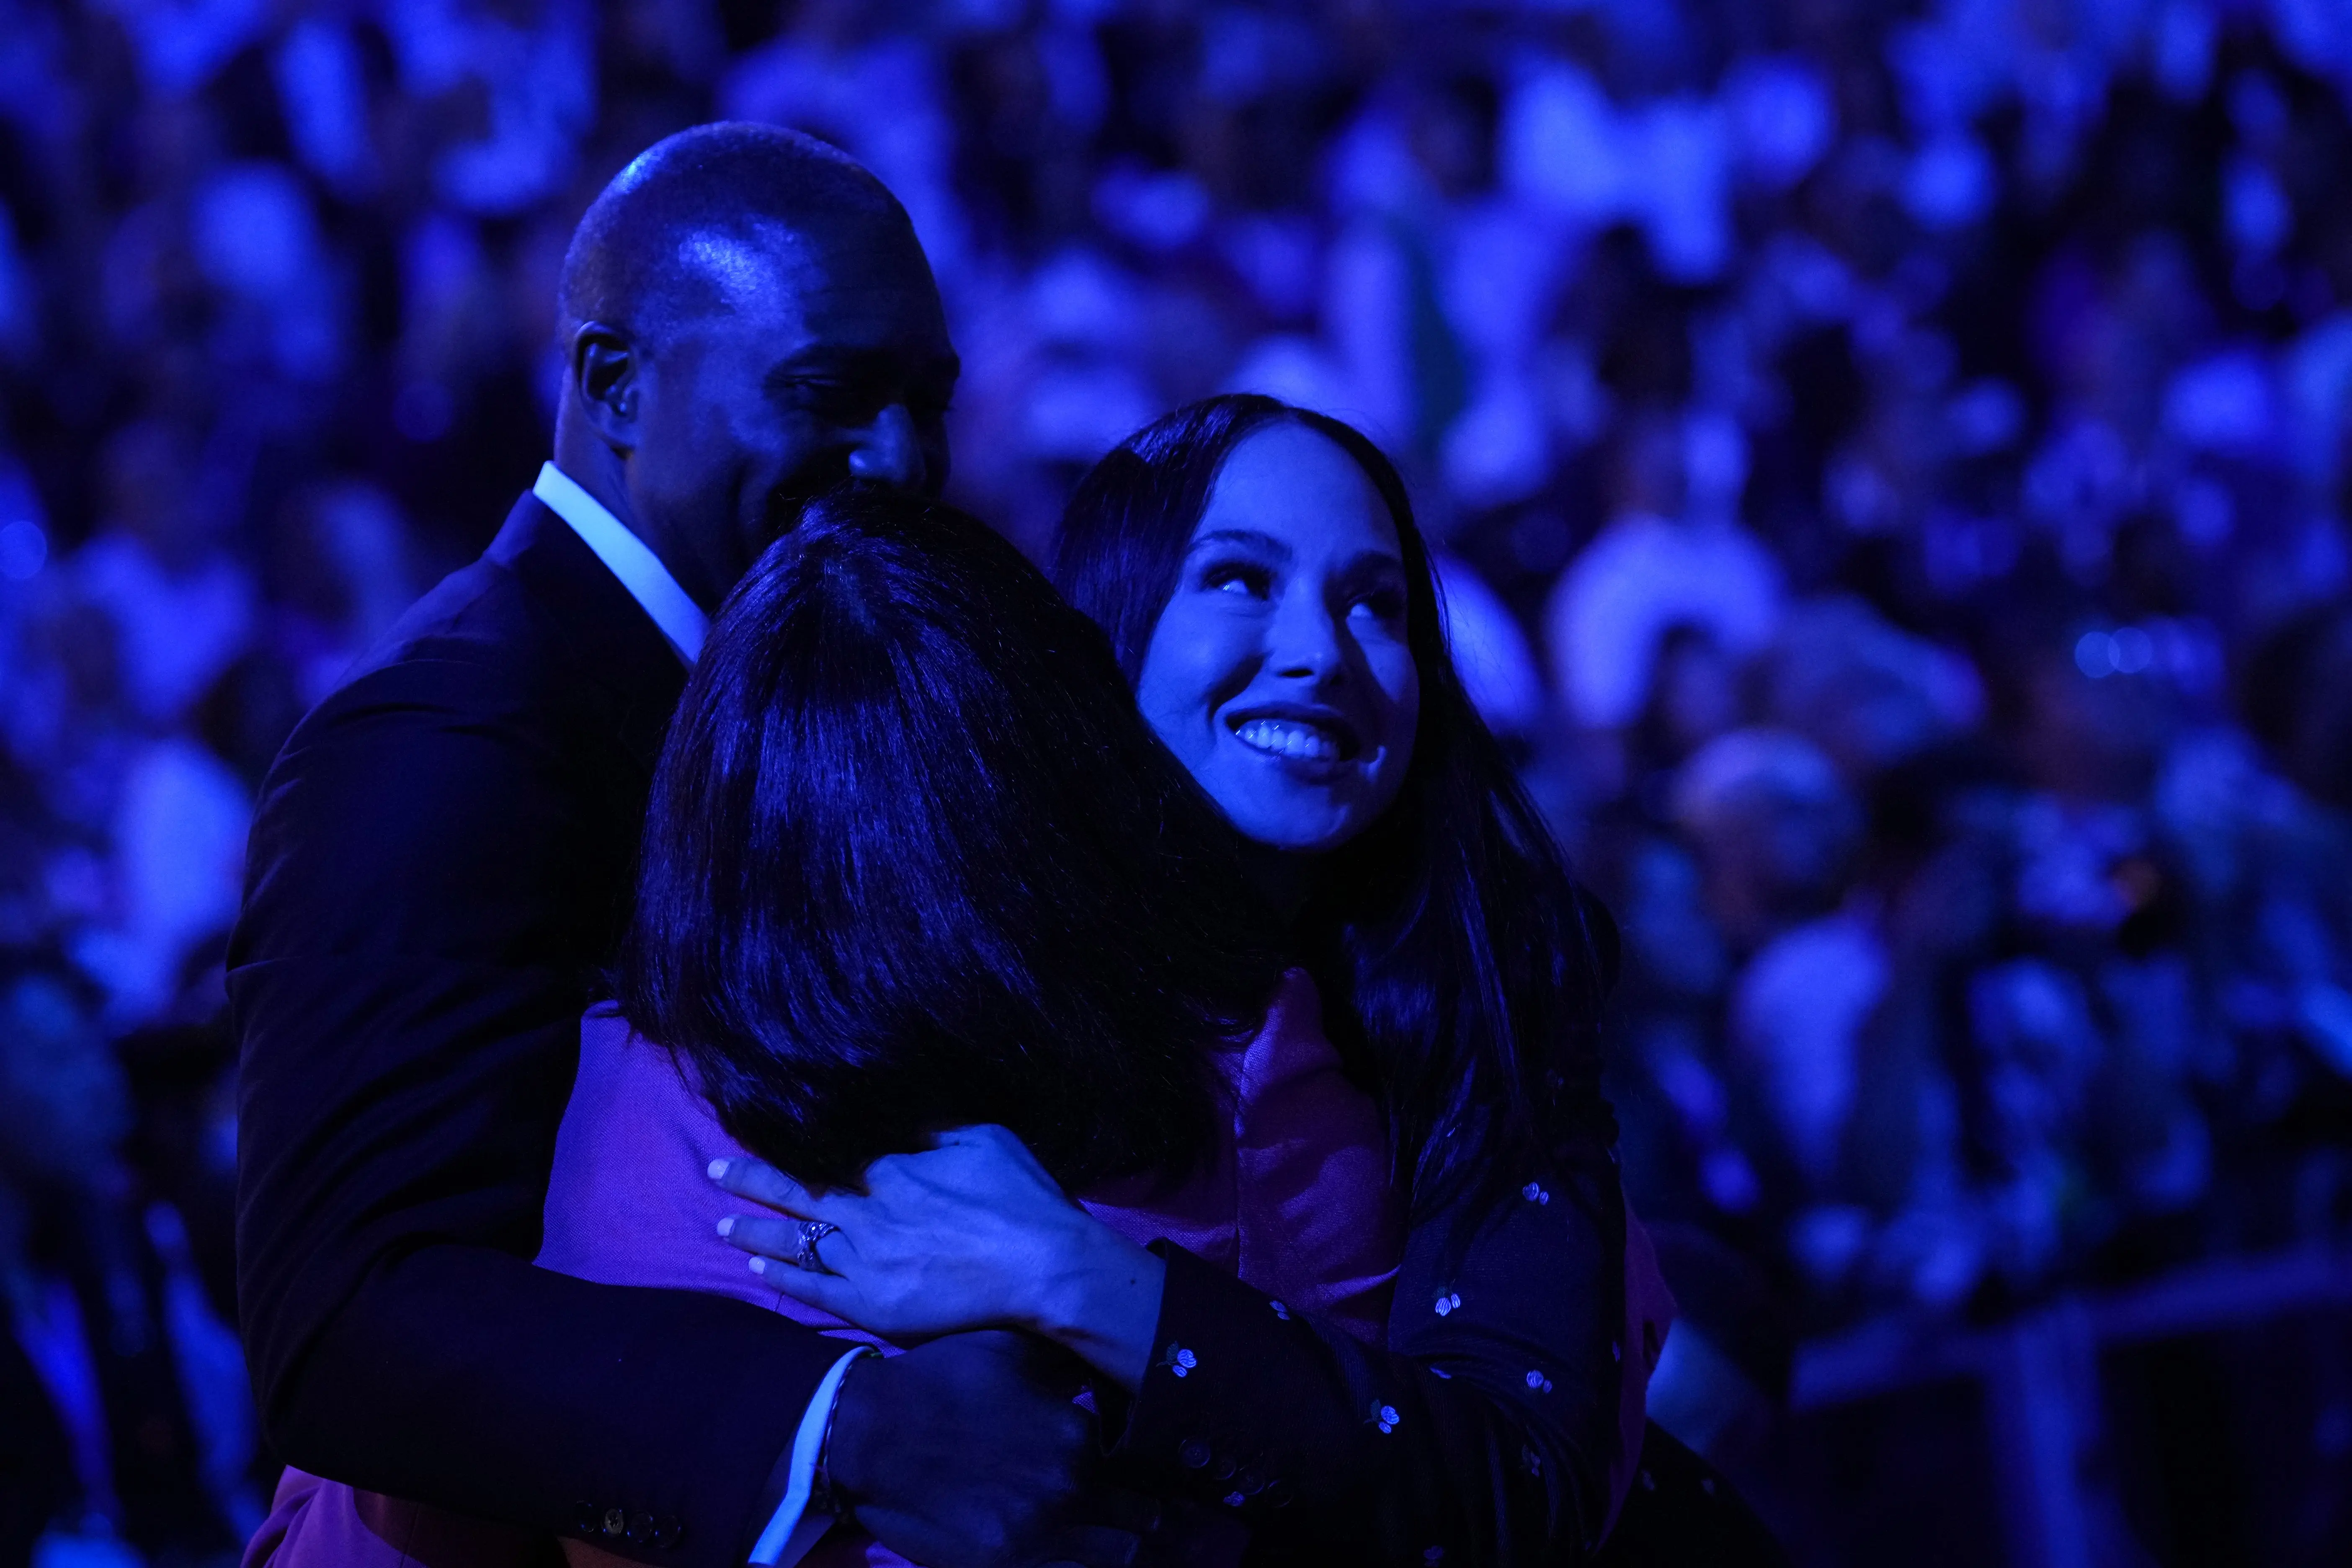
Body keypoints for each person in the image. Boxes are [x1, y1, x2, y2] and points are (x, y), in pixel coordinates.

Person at [228, 124, 1120, 1568]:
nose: (899, 458)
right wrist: (845, 1428)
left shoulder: (804, 692)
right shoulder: (447, 740)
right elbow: (348, 1315)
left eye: (927, 401)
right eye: (832, 392)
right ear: (614, 385)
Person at [248, 487, 1408, 1568]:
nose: (894, 445)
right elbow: (1400, 1472)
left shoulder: (596, 1106)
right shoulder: (1240, 1078)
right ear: (1061, 761)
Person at [714, 397, 1730, 1563]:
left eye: (1376, 604)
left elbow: (1520, 1490)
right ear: (1104, 633)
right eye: (1241, 580)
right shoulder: (939, 961)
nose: (1319, 651)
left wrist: (1085, 1281)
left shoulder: (1489, 987)